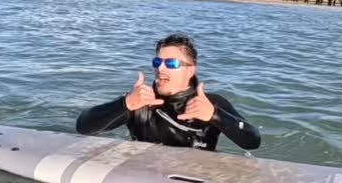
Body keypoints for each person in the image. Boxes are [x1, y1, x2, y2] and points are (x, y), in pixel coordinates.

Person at [76, 33, 261, 152]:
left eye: (171, 63)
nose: (161, 69)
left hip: (194, 179)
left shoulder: (209, 104)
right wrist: (125, 104)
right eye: (157, 62)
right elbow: (83, 126)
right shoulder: (140, 102)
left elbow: (253, 141)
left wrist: (215, 116)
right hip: (145, 176)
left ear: (190, 70)